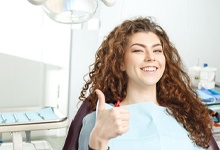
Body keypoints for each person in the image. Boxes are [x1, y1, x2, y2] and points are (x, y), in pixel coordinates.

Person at [63, 17, 219, 150]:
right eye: (138, 50)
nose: (151, 57)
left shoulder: (187, 117)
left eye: (157, 50)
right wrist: (99, 140)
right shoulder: (101, 119)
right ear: (120, 63)